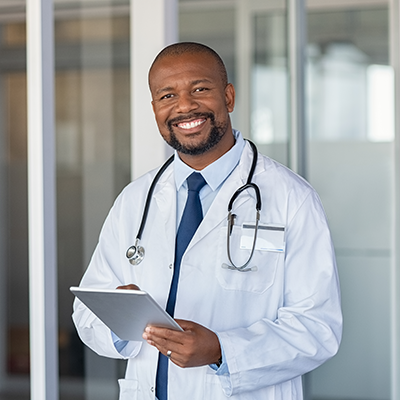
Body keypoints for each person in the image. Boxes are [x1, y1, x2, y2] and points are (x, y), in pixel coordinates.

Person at [72, 42, 342, 400]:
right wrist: (122, 323)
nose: (184, 106)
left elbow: (318, 327)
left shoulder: (291, 198)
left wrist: (220, 351)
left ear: (228, 98)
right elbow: (87, 311)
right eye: (167, 95)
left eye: (200, 89)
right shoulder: (134, 200)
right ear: (154, 109)